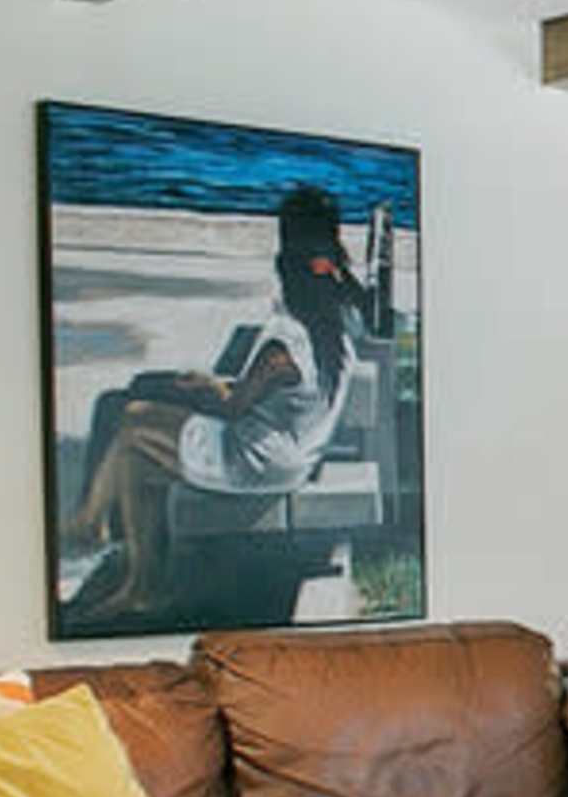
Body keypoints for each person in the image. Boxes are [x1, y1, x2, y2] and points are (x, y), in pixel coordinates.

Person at [61, 185, 379, 620]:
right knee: (135, 462)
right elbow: (281, 387)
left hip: (255, 460)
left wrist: (203, 385)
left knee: (133, 416)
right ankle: (139, 583)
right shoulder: (337, 315)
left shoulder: (287, 343)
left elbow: (233, 406)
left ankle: (91, 525)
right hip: (294, 450)